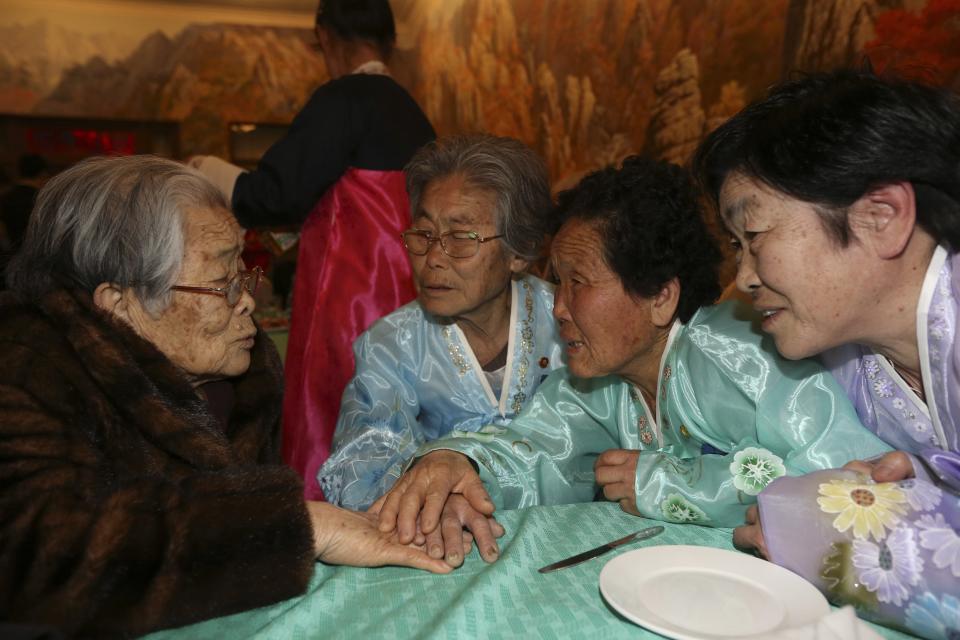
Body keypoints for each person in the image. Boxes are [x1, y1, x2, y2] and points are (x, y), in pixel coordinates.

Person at [0, 156, 461, 638]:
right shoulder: (24, 367)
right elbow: (39, 555)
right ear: (120, 305)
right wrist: (294, 526)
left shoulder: (240, 377)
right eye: (222, 284)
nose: (247, 301)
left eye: (243, 275)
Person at [373, 156, 891, 547]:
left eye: (580, 283)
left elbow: (846, 476)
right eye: (557, 282)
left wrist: (669, 480)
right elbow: (532, 449)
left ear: (660, 297)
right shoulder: (596, 385)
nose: (559, 308)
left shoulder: (743, 353)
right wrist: (455, 461)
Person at [694, 68, 960, 638]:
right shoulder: (849, 364)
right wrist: (919, 480)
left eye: (755, 236)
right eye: (735, 247)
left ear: (880, 217)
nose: (741, 277)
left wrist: (821, 538)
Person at [192, 0, 435, 500]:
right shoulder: (413, 112)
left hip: (348, 291)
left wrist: (212, 171)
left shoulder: (342, 100)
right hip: (408, 292)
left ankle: (323, 519)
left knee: (331, 406)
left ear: (324, 36)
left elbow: (277, 194)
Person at [318, 135, 564, 523]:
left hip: (564, 526)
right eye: (424, 235)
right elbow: (362, 458)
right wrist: (433, 489)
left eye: (461, 238)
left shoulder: (567, 321)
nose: (433, 259)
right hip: (446, 532)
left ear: (520, 251)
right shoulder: (391, 345)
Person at [1, 154, 49, 286]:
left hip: (12, 262)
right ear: (43, 173)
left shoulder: (6, 197)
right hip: (39, 265)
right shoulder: (42, 200)